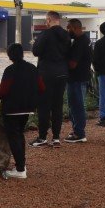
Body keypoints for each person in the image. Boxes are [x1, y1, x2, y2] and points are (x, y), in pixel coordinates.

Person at [0, 44, 45, 178]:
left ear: (9, 56)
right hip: (28, 109)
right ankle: (21, 166)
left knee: (14, 137)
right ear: (22, 54)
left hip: (11, 110)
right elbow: (41, 88)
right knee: (19, 135)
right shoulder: (32, 68)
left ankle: (20, 170)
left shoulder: (10, 70)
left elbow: (2, 91)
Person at [31, 10, 71, 147]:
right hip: (62, 74)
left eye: (46, 20)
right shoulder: (66, 35)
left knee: (44, 106)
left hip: (46, 74)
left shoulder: (45, 34)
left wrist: (35, 43)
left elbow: (35, 51)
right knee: (57, 105)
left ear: (48, 20)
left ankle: (42, 137)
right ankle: (56, 138)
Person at [65, 19, 92, 142]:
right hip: (81, 77)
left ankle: (80, 134)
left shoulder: (79, 43)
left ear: (75, 28)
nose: (67, 31)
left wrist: (62, 60)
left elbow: (72, 64)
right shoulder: (85, 40)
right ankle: (77, 130)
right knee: (75, 105)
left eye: (68, 28)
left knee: (77, 105)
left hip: (77, 78)